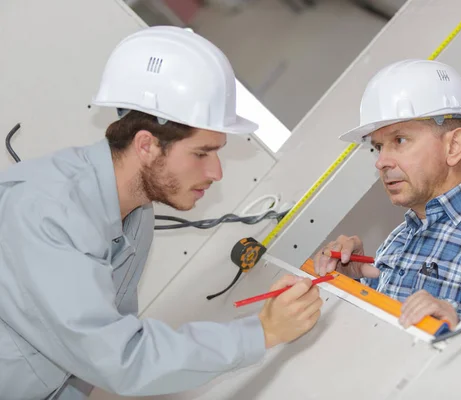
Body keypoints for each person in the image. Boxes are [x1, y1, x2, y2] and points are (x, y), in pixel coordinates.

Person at [0, 26, 322, 400]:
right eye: (202, 153)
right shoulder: (45, 212)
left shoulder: (136, 215)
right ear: (147, 145)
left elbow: (79, 361)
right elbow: (122, 359)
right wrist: (262, 331)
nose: (216, 173)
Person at [315, 59, 461, 330]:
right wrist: (351, 279)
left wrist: (459, 322)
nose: (381, 162)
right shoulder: (401, 238)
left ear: (454, 145)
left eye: (399, 140)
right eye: (378, 147)